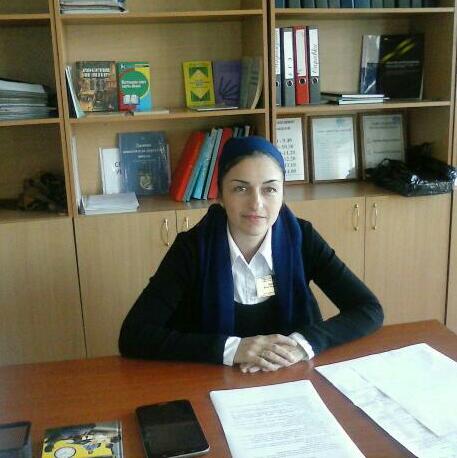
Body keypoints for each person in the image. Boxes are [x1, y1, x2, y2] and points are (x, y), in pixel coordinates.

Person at [119, 136, 383, 373]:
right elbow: (134, 335)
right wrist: (233, 349)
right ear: (221, 195)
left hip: (291, 375)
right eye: (241, 188)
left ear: (282, 194)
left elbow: (368, 309)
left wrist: (301, 345)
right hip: (210, 381)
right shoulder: (192, 248)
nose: (256, 203)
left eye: (270, 189)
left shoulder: (303, 238)